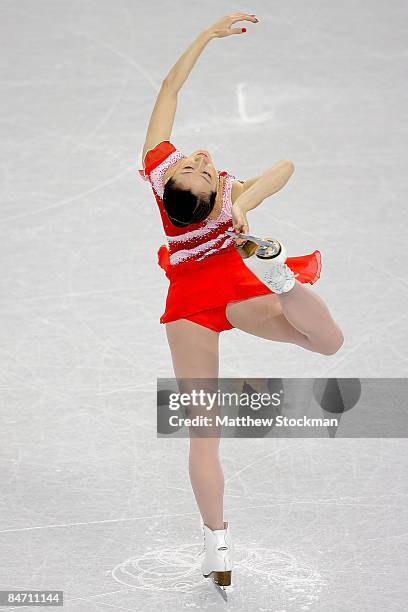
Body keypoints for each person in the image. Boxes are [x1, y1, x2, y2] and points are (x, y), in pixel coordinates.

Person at [138, 13, 344, 589]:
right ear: (202, 197)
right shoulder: (216, 195)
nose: (198, 158)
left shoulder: (162, 177)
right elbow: (285, 167)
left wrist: (204, 34)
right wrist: (242, 203)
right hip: (229, 288)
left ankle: (216, 546)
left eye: (193, 163)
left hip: (189, 299)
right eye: (200, 169)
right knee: (327, 343)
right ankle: (280, 277)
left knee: (205, 430)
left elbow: (168, 91)